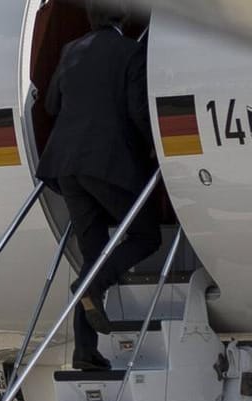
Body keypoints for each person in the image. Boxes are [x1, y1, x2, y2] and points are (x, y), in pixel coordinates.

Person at [37, 0, 161, 371]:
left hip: (65, 167)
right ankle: (92, 288)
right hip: (106, 164)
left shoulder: (71, 50)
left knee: (94, 256)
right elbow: (139, 109)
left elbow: (51, 104)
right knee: (145, 237)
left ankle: (85, 352)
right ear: (122, 16)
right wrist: (154, 148)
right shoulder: (131, 52)